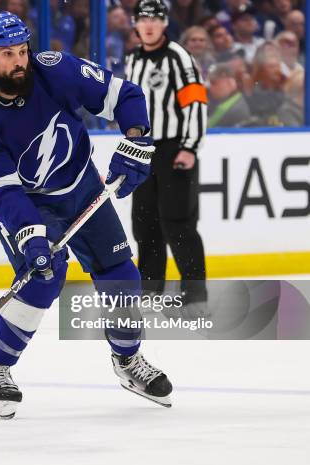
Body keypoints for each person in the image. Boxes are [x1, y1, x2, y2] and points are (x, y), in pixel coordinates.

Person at [0, 11, 173, 419]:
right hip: (28, 202)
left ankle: (128, 360)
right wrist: (30, 232)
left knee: (121, 274)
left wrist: (136, 141)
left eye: (22, 50)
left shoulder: (55, 69)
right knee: (45, 276)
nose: (19, 60)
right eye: (7, 54)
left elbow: (125, 96)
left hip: (82, 186)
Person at [125, 0, 208, 307]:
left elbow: (196, 103)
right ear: (135, 23)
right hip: (143, 149)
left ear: (164, 23)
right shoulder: (133, 59)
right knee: (144, 221)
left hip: (174, 148)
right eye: (143, 19)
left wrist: (189, 147)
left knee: (178, 221)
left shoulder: (178, 57)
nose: (148, 25)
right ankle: (149, 287)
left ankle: (194, 290)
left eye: (155, 19)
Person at [207, 63, 251, 127]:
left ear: (230, 82)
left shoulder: (235, 109)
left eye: (214, 82)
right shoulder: (225, 103)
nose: (210, 87)